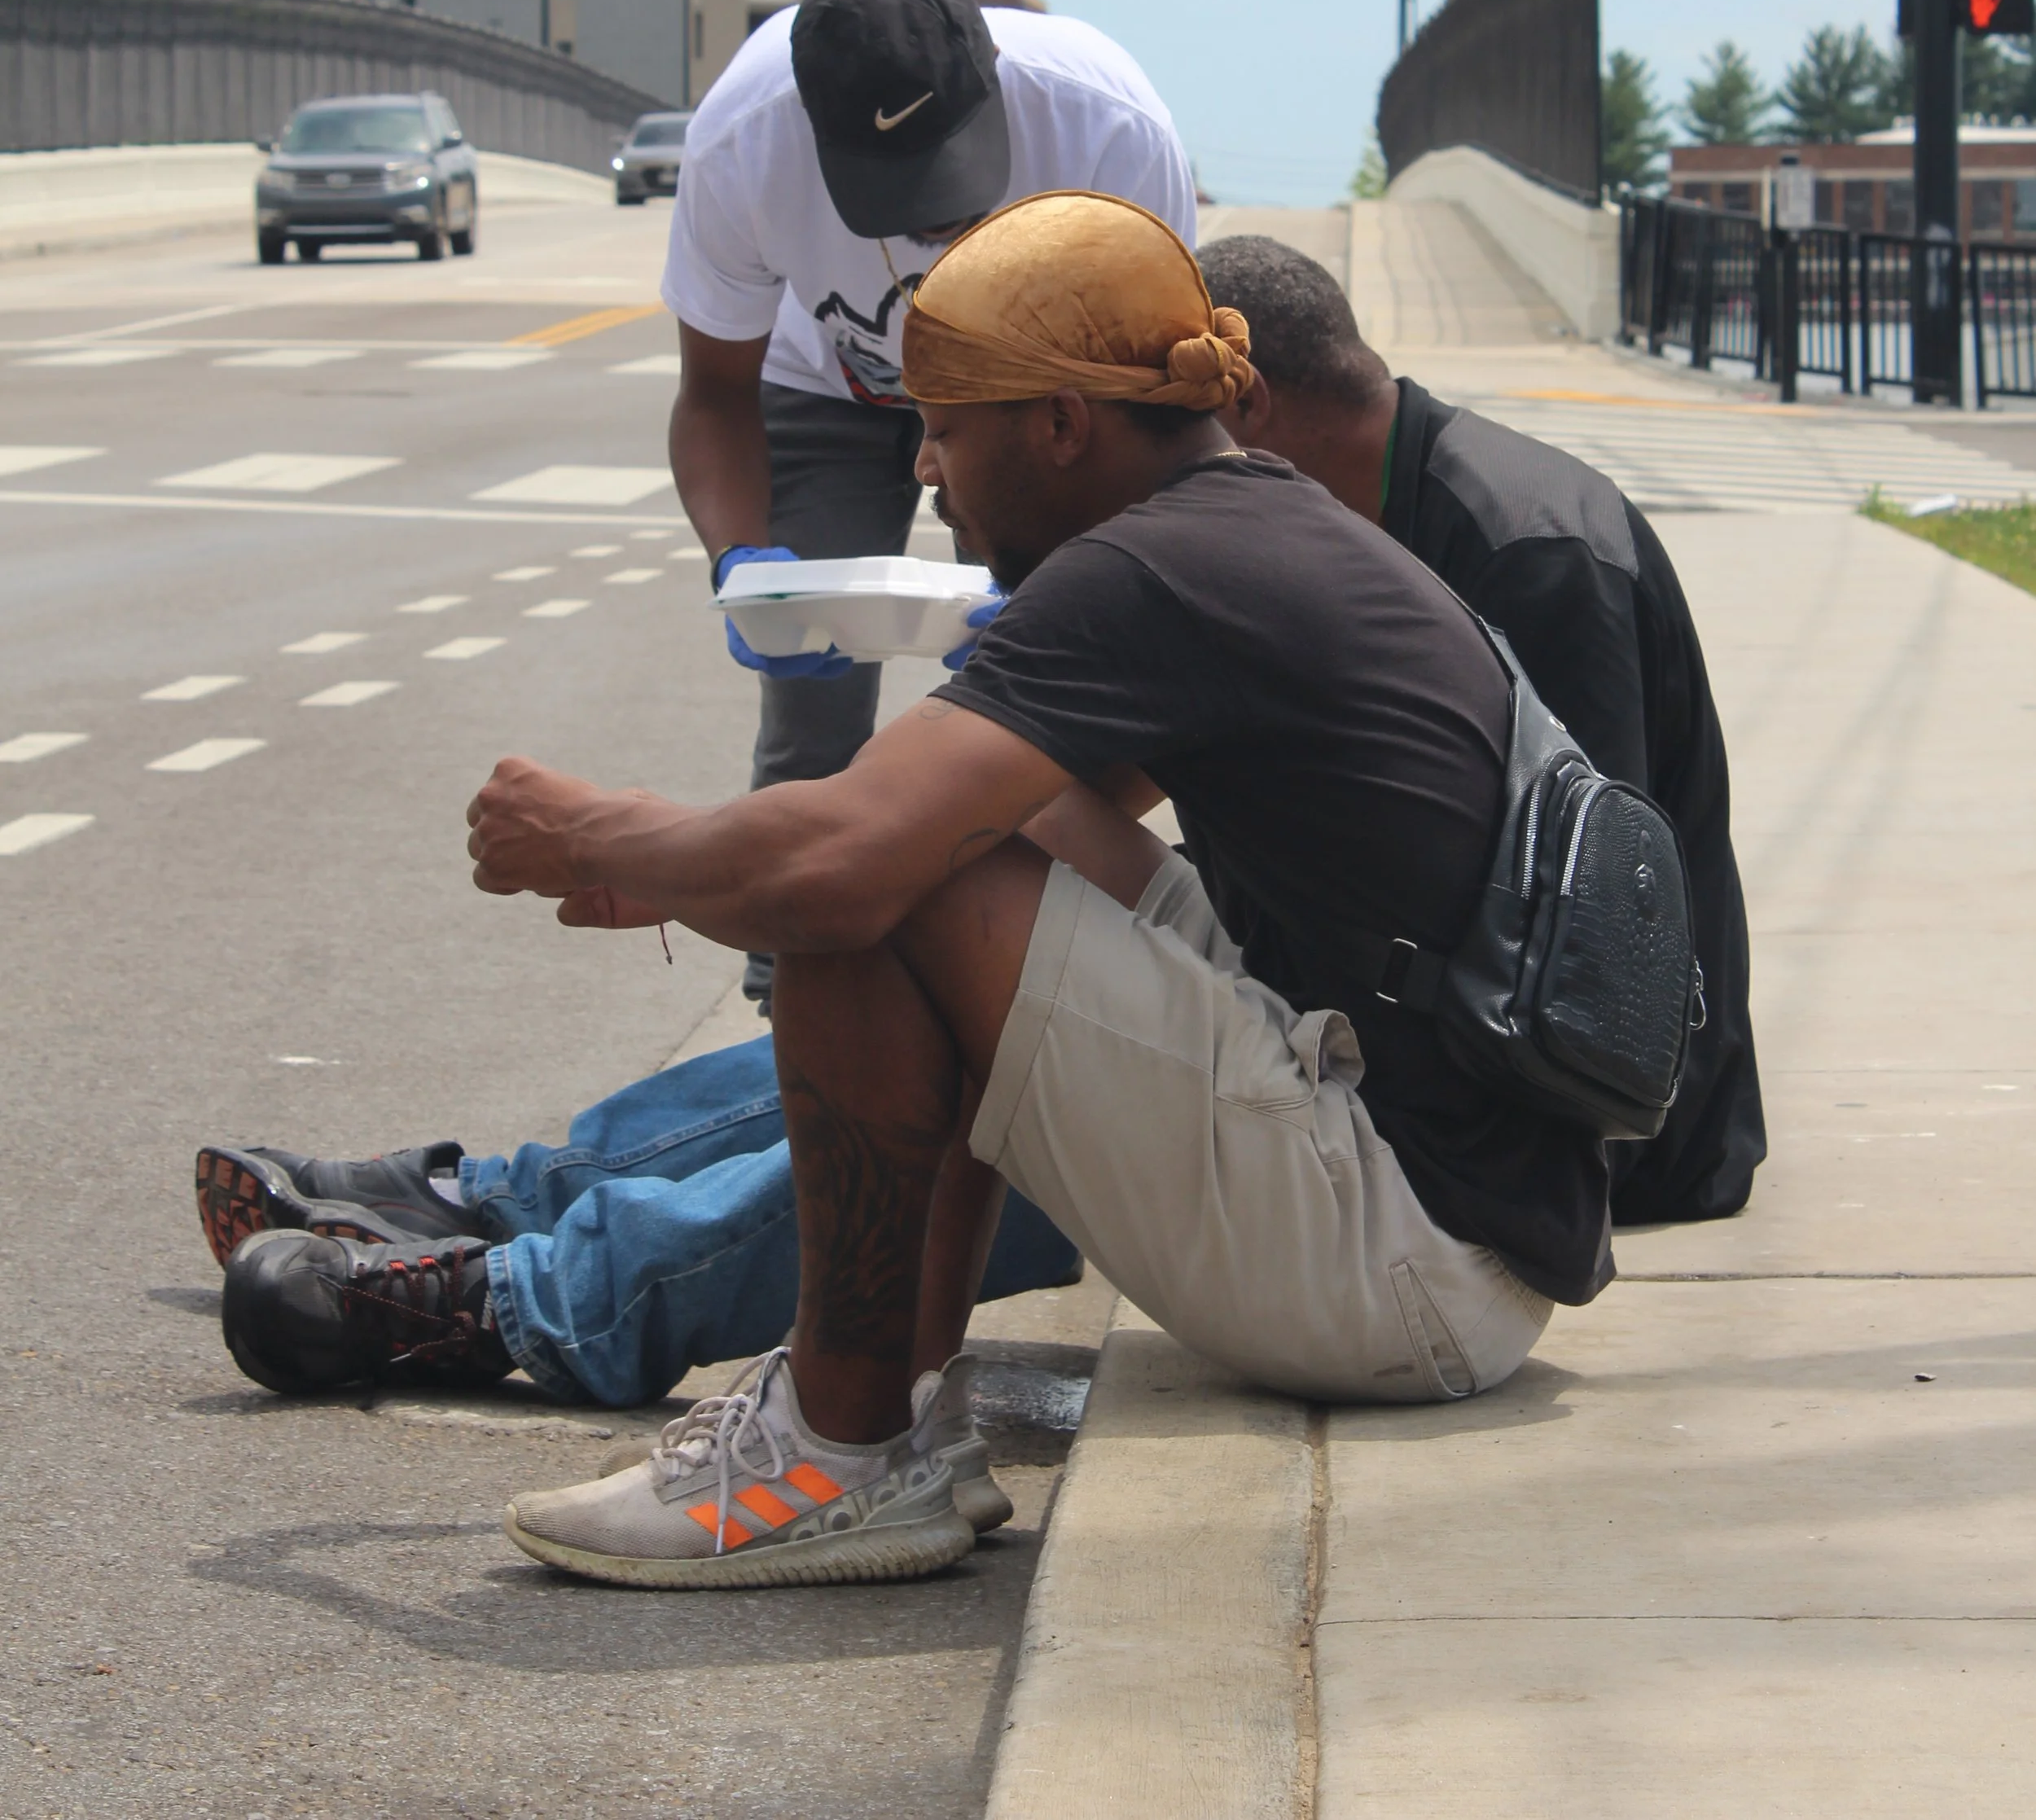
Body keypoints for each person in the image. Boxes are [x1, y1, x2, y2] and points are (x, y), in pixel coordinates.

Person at [222, 194, 1608, 1592]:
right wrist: (703, 861)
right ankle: (898, 1407)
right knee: (938, 847)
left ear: (1062, 424)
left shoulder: (1157, 573)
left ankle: (838, 1447)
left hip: (1402, 1273)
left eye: (948, 424)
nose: (932, 471)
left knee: (887, 882)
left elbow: (848, 867)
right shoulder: (1258, 528)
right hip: (1461, 1229)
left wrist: (603, 837)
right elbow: (977, 827)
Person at [1197, 231, 1763, 1224]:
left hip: (1598, 1132)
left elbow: (1598, 924)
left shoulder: (1532, 550)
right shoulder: (1363, 520)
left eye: (1168, 419)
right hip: (1490, 1066)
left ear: (1246, 400)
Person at [662, 0, 1193, 1010]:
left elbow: (1161, 401)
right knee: (810, 715)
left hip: (1034, 395)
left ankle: (1033, 977)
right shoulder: (740, 140)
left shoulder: (1108, 125)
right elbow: (715, 395)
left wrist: (1082, 582)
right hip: (828, 395)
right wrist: (744, 565)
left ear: (994, 78)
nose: (928, 221)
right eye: (889, 195)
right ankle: (799, 996)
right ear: (810, 127)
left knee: (1037, 699)